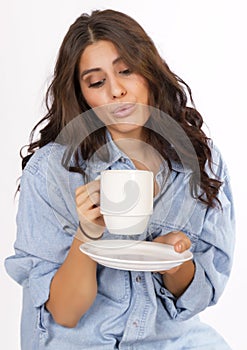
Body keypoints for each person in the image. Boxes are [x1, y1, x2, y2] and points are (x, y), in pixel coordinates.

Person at [5, 9, 235, 350]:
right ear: (81, 95)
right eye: (97, 82)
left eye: (126, 71)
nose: (116, 91)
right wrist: (87, 233)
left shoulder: (201, 160)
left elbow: (197, 300)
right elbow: (65, 314)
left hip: (168, 340)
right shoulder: (52, 170)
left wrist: (174, 258)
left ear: (149, 71)